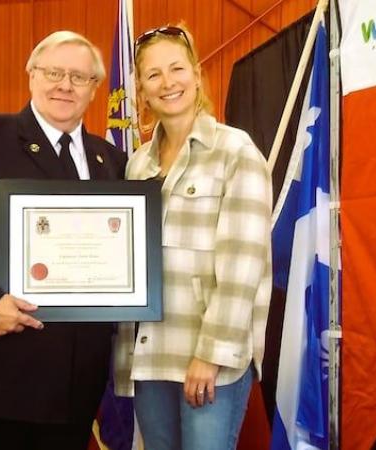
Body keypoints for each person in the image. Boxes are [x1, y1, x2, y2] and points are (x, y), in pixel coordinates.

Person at [0, 31, 126, 450]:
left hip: (74, 390)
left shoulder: (112, 161)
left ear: (94, 89)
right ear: (32, 75)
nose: (64, 85)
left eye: (79, 77)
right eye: (54, 72)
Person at [113, 25, 272, 450]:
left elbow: (244, 265)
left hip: (208, 358)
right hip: (149, 356)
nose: (168, 83)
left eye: (177, 69)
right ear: (142, 92)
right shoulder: (136, 165)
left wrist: (211, 354)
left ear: (197, 75)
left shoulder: (236, 151)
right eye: (153, 75)